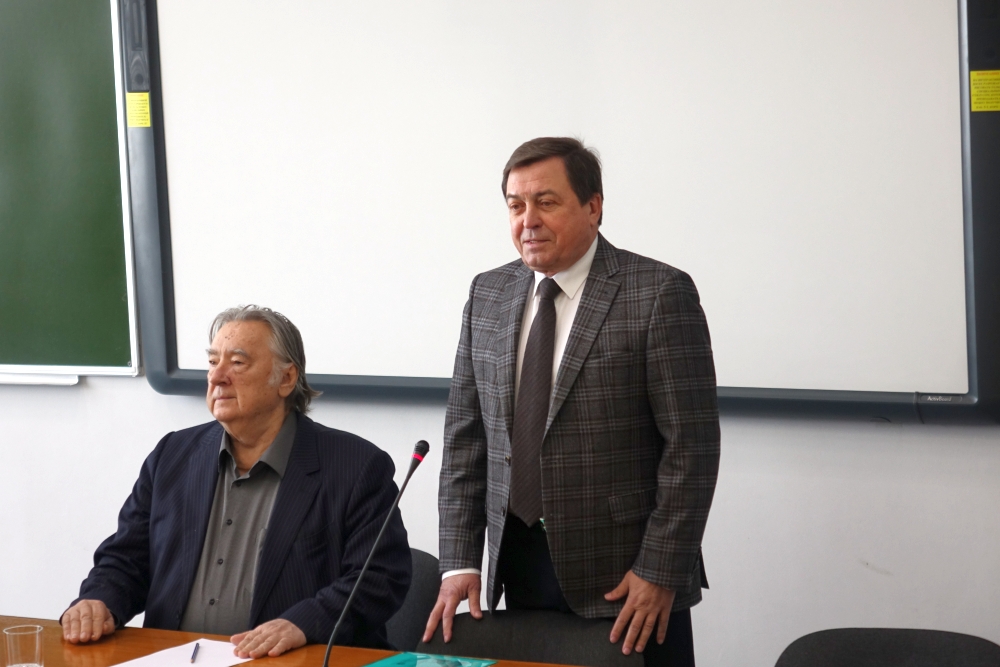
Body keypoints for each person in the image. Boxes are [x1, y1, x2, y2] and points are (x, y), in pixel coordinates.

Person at [424, 138, 720, 666]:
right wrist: (460, 560)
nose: (528, 220)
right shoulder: (488, 294)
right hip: (520, 567)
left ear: (593, 206)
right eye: (516, 205)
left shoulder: (658, 292)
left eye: (546, 202)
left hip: (629, 579)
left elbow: (691, 449)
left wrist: (659, 570)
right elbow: (466, 440)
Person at [61, 306, 411, 657]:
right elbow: (127, 558)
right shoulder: (172, 455)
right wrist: (99, 600)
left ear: (286, 379)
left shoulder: (355, 466)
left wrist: (304, 623)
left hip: (289, 661)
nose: (217, 377)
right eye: (213, 362)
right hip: (176, 658)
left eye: (238, 363)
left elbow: (379, 577)